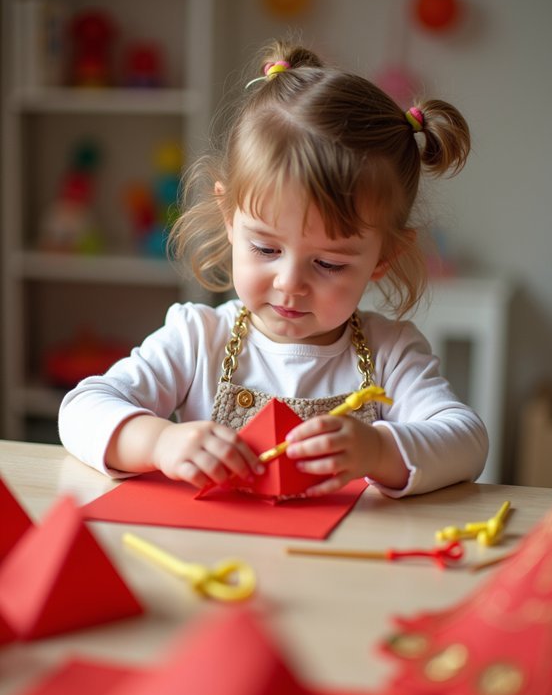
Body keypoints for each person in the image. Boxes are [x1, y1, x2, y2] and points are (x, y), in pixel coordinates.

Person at [58, 39, 488, 498]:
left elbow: (468, 441)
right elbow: (81, 409)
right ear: (229, 218)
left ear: (383, 257)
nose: (290, 284)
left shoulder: (391, 354)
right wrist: (159, 441)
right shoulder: (199, 339)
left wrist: (377, 451)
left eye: (328, 263)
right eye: (265, 249)